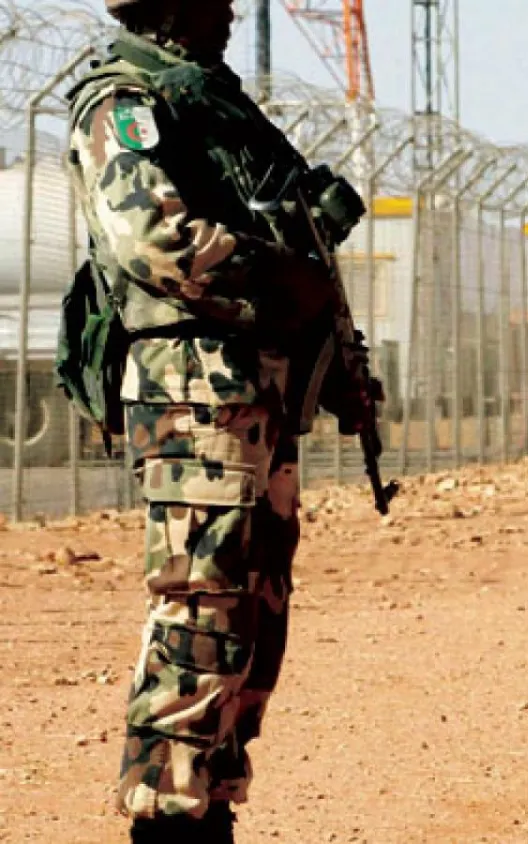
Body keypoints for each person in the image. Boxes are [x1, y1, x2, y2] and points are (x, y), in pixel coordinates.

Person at [67, 0, 356, 840]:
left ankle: (210, 801)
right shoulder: (125, 100)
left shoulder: (213, 100)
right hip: (193, 386)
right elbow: (151, 237)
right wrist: (274, 275)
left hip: (251, 385)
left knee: (255, 605)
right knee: (201, 604)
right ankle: (167, 815)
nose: (229, 10)